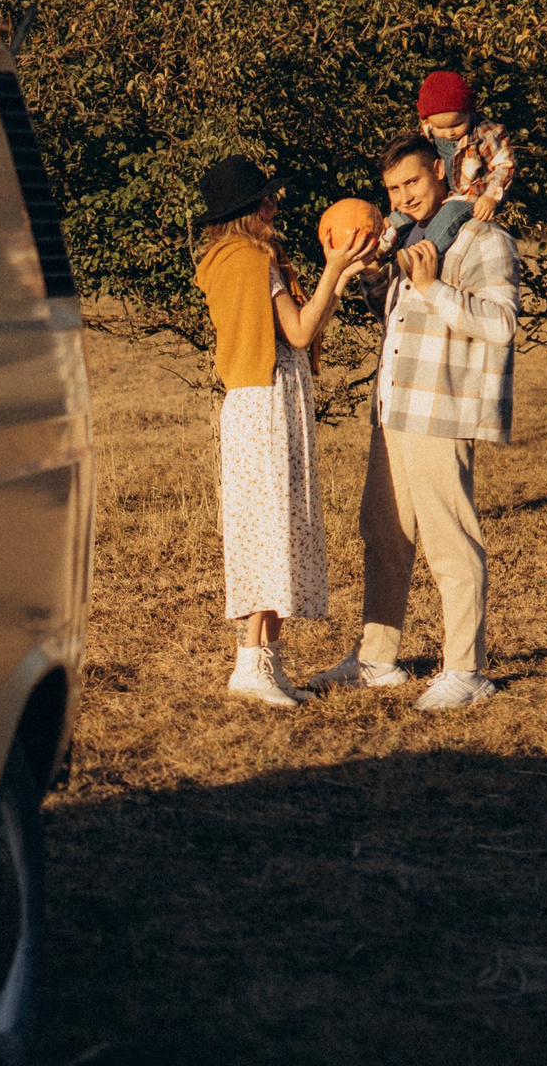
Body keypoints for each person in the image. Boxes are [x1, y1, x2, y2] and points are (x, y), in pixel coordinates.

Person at [312, 133, 517, 710]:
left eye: (413, 182)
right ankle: (376, 660)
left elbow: (500, 324)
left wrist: (431, 287)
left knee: (450, 540)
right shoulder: (410, 238)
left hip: (440, 406)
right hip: (392, 406)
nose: (406, 195)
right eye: (394, 188)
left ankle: (466, 671)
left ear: (440, 171)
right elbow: (398, 317)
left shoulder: (484, 239)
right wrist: (380, 277)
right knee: (383, 534)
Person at [190, 155, 368, 707]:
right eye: (265, 198)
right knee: (271, 531)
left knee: (268, 529)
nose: (274, 204)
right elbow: (300, 330)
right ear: (246, 211)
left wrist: (333, 283)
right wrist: (334, 270)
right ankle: (251, 667)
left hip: (254, 401)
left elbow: (301, 325)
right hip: (268, 401)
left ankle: (266, 664)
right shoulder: (254, 261)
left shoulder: (227, 259)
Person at [376, 70, 517, 266]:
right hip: (443, 191)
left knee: (449, 215)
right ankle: (379, 247)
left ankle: (421, 256)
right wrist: (398, 195)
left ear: (469, 112)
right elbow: (419, 163)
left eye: (456, 125)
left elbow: (504, 166)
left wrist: (491, 197)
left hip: (472, 195)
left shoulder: (486, 134)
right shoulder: (429, 131)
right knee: (401, 214)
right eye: (440, 128)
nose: (449, 133)